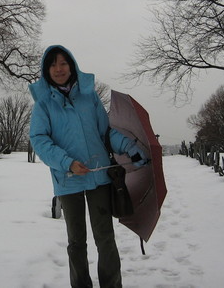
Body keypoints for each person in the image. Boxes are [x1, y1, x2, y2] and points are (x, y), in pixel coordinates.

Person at [29, 45, 147, 288]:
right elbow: (39, 140)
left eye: (63, 63)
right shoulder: (43, 104)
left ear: (72, 65)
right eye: (53, 64)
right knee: (76, 241)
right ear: (46, 70)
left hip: (99, 177)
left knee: (105, 238)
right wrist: (67, 163)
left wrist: (128, 146)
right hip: (67, 179)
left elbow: (104, 132)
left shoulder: (89, 96)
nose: (59, 68)